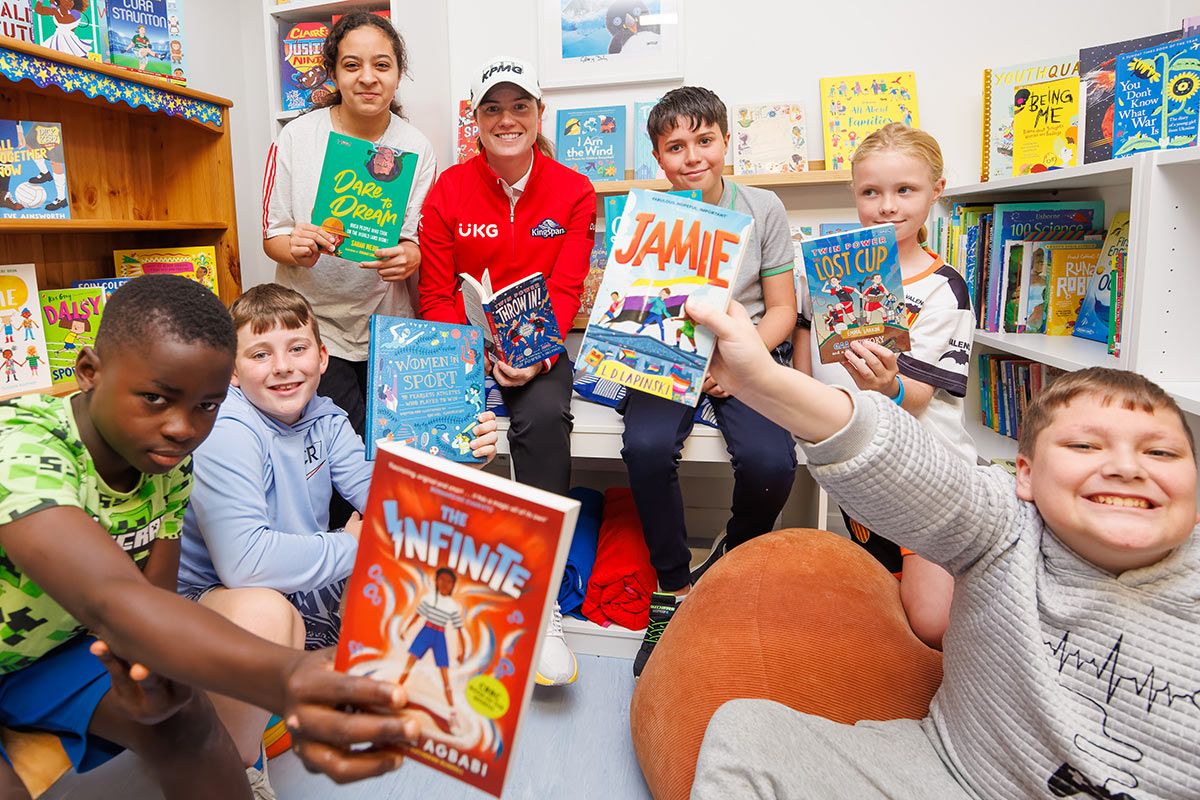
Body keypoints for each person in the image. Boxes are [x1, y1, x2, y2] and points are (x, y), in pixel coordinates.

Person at [683, 296, 1200, 800]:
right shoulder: (1007, 525)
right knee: (747, 732)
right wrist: (761, 380)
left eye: (1160, 452)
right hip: (950, 775)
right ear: (1026, 476)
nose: (1127, 468)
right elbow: (896, 459)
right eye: (1085, 445)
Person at [0, 276, 422, 800]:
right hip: (65, 639)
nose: (183, 427)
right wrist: (290, 675)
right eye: (155, 398)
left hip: (63, 654)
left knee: (189, 725)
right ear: (89, 372)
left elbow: (153, 601)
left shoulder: (166, 461)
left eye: (206, 405)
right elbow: (111, 596)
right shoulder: (21, 446)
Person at [176, 283, 497, 791]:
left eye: (297, 348)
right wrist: (353, 545)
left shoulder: (326, 417)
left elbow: (391, 502)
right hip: (215, 603)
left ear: (323, 357)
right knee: (268, 612)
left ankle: (311, 697)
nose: (283, 367)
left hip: (295, 586)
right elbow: (245, 564)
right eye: (260, 354)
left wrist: (460, 457)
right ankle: (236, 767)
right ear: (232, 372)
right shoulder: (228, 427)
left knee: (423, 558)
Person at [417, 56, 596, 687]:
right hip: (463, 345)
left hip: (537, 349)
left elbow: (568, 290)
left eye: (520, 106)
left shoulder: (574, 191)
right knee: (434, 429)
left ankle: (542, 603)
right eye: (492, 107)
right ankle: (448, 604)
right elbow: (435, 293)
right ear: (475, 119)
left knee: (545, 418)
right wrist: (472, 358)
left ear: (540, 115)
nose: (507, 119)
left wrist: (531, 356)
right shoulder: (447, 192)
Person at [623, 87, 798, 677]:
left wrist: (738, 361)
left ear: (726, 141)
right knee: (645, 447)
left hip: (744, 348)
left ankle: (731, 564)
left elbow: (779, 309)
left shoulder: (763, 207)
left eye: (705, 140)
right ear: (658, 157)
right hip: (667, 348)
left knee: (774, 462)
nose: (692, 156)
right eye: (675, 147)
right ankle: (672, 585)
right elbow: (635, 306)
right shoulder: (648, 213)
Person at [794, 123, 974, 650]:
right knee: (875, 612)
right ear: (854, 194)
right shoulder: (831, 272)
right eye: (871, 192)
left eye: (905, 190)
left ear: (936, 191)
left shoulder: (945, 288)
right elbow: (807, 339)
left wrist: (889, 384)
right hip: (861, 468)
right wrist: (803, 398)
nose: (887, 206)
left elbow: (918, 398)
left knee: (931, 623)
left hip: (929, 477)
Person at [262, 12, 437, 440]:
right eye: (352, 65)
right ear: (333, 74)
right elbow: (272, 235)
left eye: (381, 65)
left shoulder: (415, 147)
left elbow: (417, 240)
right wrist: (296, 246)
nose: (367, 78)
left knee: (391, 446)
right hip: (313, 325)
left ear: (398, 74)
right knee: (342, 450)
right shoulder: (296, 139)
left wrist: (409, 256)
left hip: (387, 324)